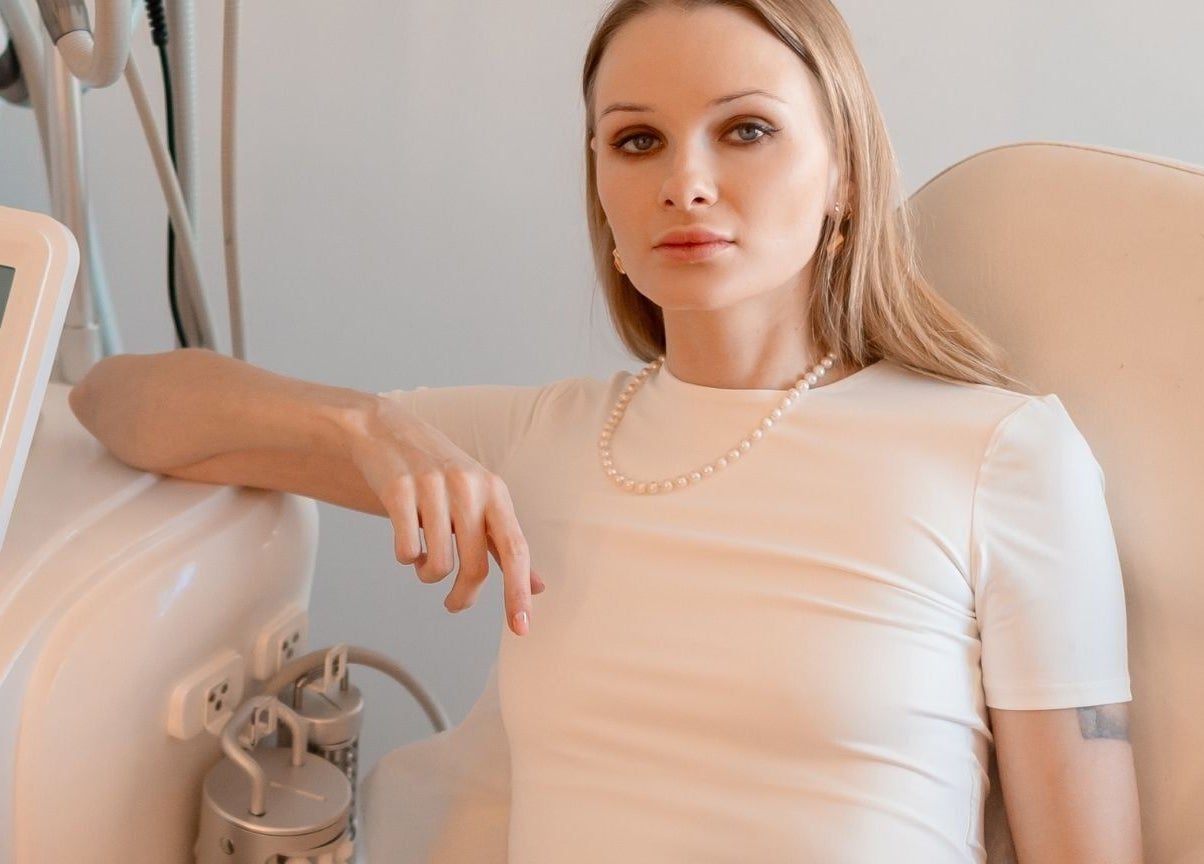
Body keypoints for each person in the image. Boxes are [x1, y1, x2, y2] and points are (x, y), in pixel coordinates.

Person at [68, 0, 1141, 861]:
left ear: (845, 175)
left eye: (747, 129)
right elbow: (117, 402)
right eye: (636, 140)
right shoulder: (540, 441)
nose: (684, 180)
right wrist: (360, 430)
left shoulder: (997, 456)